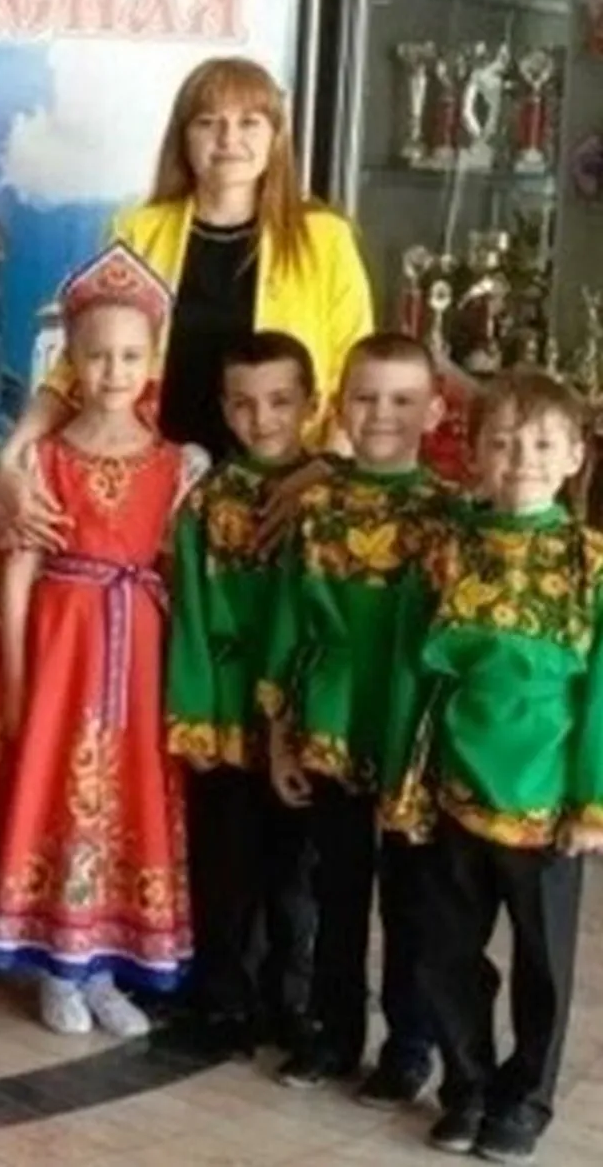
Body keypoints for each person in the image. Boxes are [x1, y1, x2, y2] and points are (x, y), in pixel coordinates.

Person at [0, 244, 205, 1037]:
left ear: (151, 359)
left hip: (138, 655)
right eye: (97, 355)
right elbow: (21, 571)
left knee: (128, 797)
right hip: (64, 649)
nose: (113, 370)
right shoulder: (46, 460)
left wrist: (184, 680)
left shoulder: (176, 464)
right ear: (71, 361)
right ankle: (58, 966)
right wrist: (17, 676)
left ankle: (104, 967)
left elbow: (181, 577)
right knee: (59, 790)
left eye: (130, 355)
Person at [0, 56, 374, 551]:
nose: (229, 139)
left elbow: (357, 375)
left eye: (249, 122)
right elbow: (81, 360)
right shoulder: (138, 230)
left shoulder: (325, 239)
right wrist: (12, 455)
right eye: (208, 122)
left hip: (285, 492)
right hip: (155, 489)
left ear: (276, 137)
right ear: (183, 138)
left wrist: (324, 473)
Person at [383, 371, 603, 1163]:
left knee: (543, 963)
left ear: (574, 456)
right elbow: (410, 671)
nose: (521, 460)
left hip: (546, 794)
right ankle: (467, 1087)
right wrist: (402, 780)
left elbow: (601, 690)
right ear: (473, 452)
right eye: (503, 443)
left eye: (542, 444)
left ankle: (525, 1100)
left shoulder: (590, 563)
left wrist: (592, 797)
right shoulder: (447, 550)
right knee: (445, 951)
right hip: (454, 785)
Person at [260, 333, 447, 1100]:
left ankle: (410, 1045)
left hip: (413, 738)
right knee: (336, 890)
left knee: (414, 898)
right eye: (365, 397)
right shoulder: (317, 511)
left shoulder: (450, 516)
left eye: (402, 400)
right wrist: (280, 737)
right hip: (330, 727)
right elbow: (287, 628)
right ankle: (334, 1032)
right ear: (339, 406)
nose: (382, 414)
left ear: (433, 411)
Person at [166, 329, 319, 1056]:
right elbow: (192, 612)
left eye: (280, 401)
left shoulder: (328, 498)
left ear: (310, 403)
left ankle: (294, 1001)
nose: (263, 420)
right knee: (226, 864)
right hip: (226, 706)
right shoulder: (205, 502)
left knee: (297, 871)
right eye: (246, 404)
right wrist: (194, 713)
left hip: (302, 712)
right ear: (226, 410)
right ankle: (225, 1001)